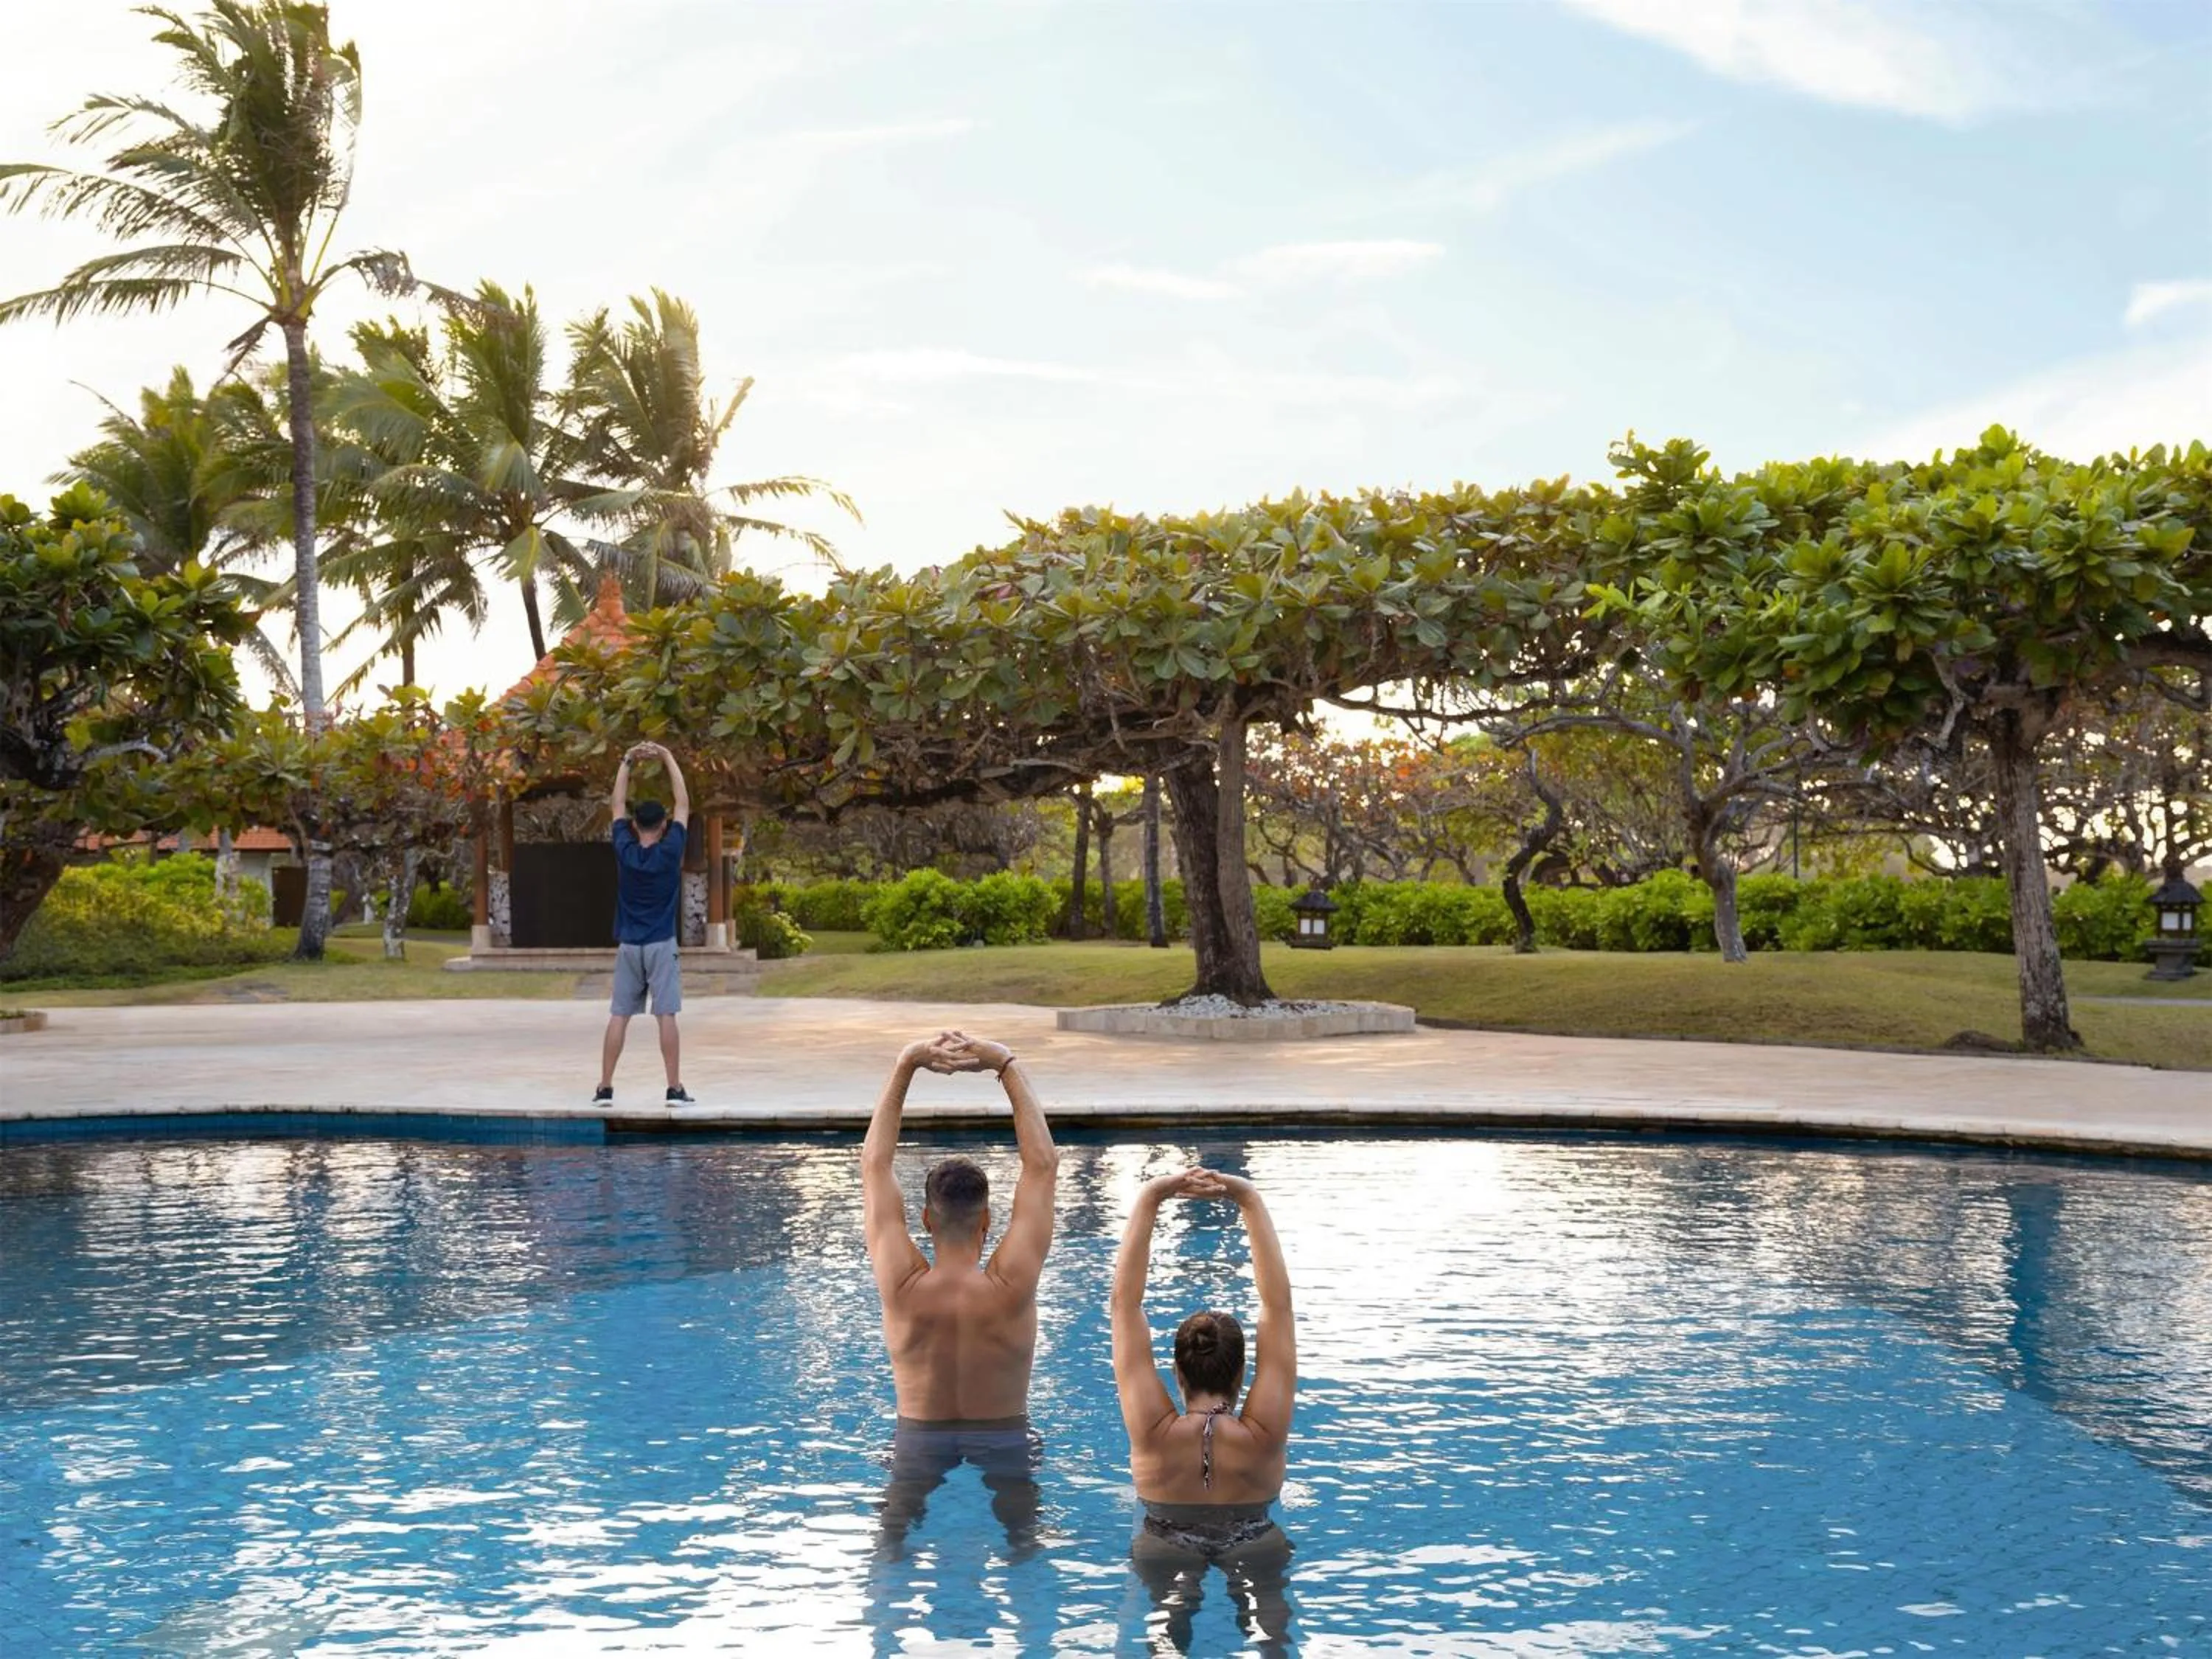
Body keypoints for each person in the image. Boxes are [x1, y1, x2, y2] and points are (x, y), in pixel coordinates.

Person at [863, 1031, 1060, 1558]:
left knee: (889, 1544)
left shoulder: (901, 1284)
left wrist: (907, 1063)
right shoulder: (1011, 1284)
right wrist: (1005, 1064)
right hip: (1005, 1436)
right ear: (988, 1220)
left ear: (926, 1219)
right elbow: (1042, 1165)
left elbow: (875, 1165)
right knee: (1026, 1543)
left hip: (918, 1438)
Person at [1112, 1166, 1296, 1654]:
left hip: (1164, 1539)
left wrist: (1151, 1197)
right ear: (1242, 1374)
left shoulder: (1152, 1431)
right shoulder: (1264, 1433)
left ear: (1177, 1372)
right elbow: (1278, 1308)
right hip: (1254, 1536)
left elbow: (1124, 1307)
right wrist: (1248, 1199)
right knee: (1272, 1639)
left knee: (1165, 1633)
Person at [594, 742, 693, 1107]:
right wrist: (668, 757)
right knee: (666, 1015)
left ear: (635, 826)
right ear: (663, 825)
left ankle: (605, 1088)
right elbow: (683, 804)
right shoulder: (671, 850)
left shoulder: (625, 849)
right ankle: (674, 1089)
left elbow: (616, 804)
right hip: (661, 943)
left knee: (619, 1016)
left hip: (629, 946)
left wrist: (627, 759)